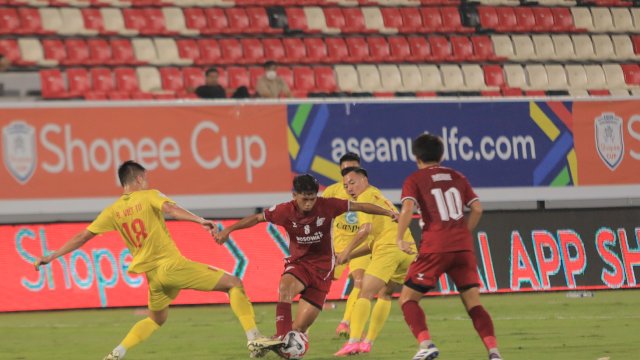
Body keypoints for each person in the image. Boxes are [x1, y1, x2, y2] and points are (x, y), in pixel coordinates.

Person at [34, 160, 279, 360]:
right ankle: (254, 338)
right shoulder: (149, 195)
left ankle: (117, 353)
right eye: (146, 178)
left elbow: (82, 236)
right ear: (138, 179)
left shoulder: (113, 211)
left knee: (156, 319)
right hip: (172, 266)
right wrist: (199, 220)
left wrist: (52, 255)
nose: (147, 182)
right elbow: (171, 210)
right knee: (234, 283)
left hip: (153, 278)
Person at [215, 174, 398, 356]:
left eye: (312, 198)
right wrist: (229, 230)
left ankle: (282, 346)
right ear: (294, 195)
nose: (309, 203)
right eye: (305, 199)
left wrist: (389, 212)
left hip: (323, 271)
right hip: (299, 264)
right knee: (285, 286)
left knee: (299, 328)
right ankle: (280, 335)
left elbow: (361, 206)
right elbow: (256, 218)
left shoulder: (328, 205)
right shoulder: (284, 210)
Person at [395, 134, 502, 360]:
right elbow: (478, 209)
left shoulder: (414, 179)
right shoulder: (457, 176)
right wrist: (462, 233)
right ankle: (494, 352)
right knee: (473, 303)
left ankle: (426, 345)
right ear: (441, 155)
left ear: (416, 157)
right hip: (463, 248)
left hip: (435, 246)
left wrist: (399, 238)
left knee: (407, 299)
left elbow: (407, 209)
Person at [334, 167, 417, 356]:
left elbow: (365, 229)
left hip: (389, 248)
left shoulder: (364, 199)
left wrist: (346, 250)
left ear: (365, 180)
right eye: (346, 185)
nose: (349, 188)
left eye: (353, 182)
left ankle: (353, 342)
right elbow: (372, 243)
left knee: (364, 293)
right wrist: (349, 256)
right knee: (385, 294)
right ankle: (367, 343)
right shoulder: (378, 196)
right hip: (407, 247)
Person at [321, 152, 373, 338]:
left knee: (360, 281)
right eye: (346, 169)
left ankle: (346, 322)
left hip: (360, 247)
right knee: (320, 282)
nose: (349, 172)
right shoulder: (332, 192)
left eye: (353, 168)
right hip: (336, 247)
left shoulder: (368, 193)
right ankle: (301, 329)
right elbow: (319, 217)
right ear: (340, 171)